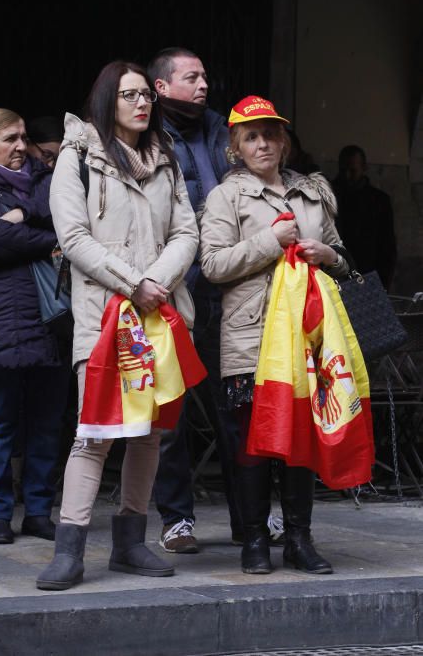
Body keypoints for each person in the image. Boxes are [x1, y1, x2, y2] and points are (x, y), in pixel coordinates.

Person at [36, 60, 199, 591]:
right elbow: (75, 237)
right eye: (128, 95)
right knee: (95, 433)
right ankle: (70, 548)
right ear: (107, 100)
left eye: (144, 95)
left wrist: (155, 282)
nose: (141, 103)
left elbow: (187, 234)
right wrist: (135, 285)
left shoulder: (166, 160)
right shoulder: (77, 158)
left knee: (150, 433)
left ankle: (130, 543)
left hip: (160, 315)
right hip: (106, 318)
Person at [199, 95, 351, 575]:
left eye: (270, 134)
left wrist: (328, 256)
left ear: (283, 141)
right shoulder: (227, 197)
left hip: (307, 338)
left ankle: (300, 540)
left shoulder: (312, 193)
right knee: (252, 444)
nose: (262, 143)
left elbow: (343, 257)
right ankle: (255, 540)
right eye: (251, 137)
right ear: (236, 148)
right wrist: (271, 242)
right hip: (251, 338)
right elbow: (212, 266)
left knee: (301, 441)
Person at [148, 47, 250, 552]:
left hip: (226, 287)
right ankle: (177, 519)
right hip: (174, 287)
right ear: (162, 87)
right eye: (192, 76)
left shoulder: (217, 126)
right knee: (172, 412)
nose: (204, 83)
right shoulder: (145, 131)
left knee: (236, 406)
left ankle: (248, 517)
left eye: (206, 74)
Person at [0, 108, 70, 544]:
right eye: (9, 139)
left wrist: (21, 216)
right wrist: (48, 241)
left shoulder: (45, 178)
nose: (21, 146)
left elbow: (63, 215)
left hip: (50, 319)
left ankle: (39, 511)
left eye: (23, 137)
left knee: (47, 421)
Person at [332, 145, 397, 290]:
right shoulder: (331, 198)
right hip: (336, 275)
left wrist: (384, 283)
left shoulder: (378, 201)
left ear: (364, 168)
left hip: (368, 276)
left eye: (352, 170)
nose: (347, 175)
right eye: (344, 170)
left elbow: (387, 246)